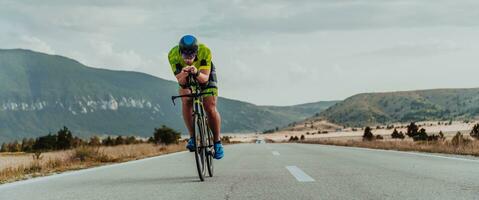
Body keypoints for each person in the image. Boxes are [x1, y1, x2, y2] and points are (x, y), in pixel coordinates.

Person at [168, 35, 224, 159]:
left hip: (204, 74)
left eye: (191, 56)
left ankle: (217, 142)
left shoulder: (205, 51)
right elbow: (181, 82)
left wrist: (196, 72)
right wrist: (183, 74)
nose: (188, 59)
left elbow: (204, 80)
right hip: (185, 75)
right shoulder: (173, 54)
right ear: (180, 52)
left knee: (210, 106)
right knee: (186, 99)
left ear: (196, 52)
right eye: (185, 56)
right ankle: (193, 137)